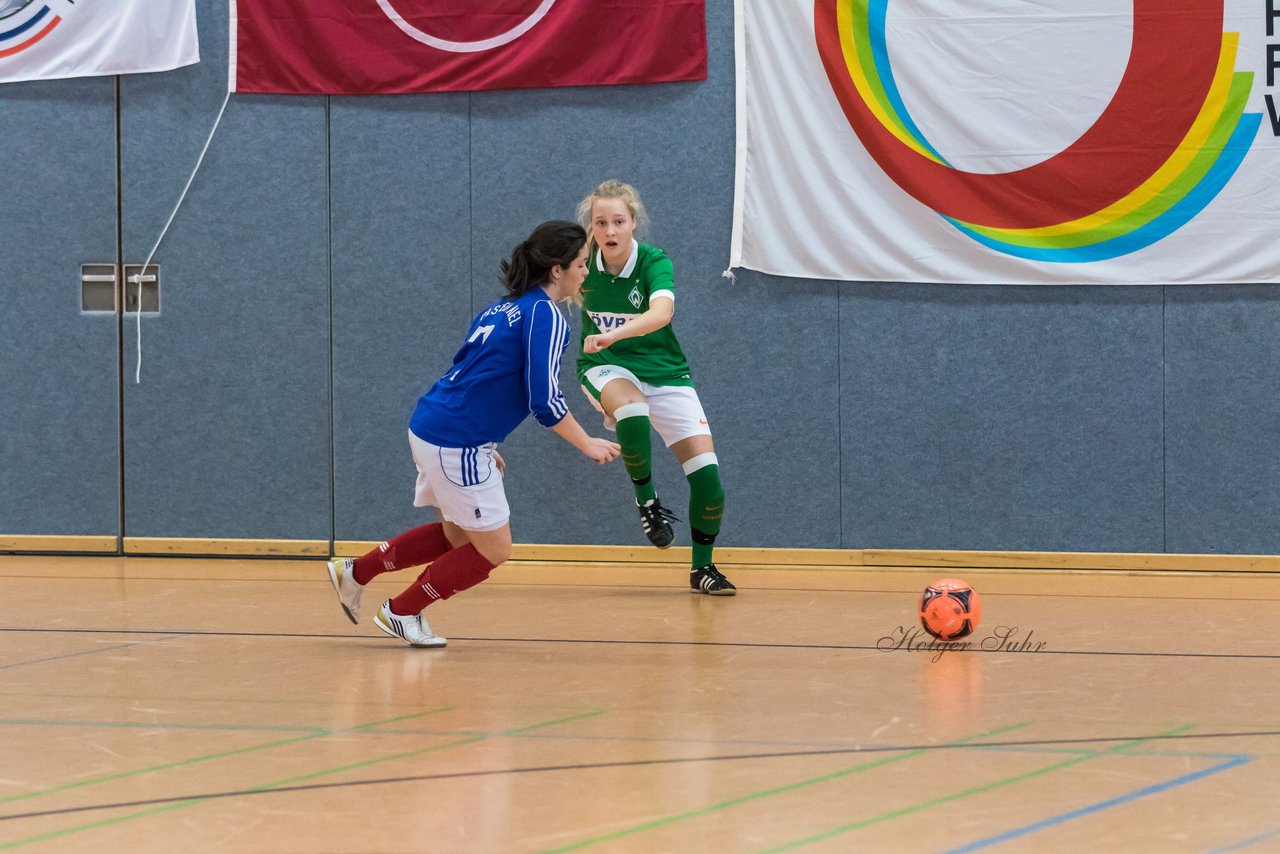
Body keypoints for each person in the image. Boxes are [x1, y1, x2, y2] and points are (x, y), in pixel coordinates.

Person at [326, 221, 621, 647]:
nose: (586, 272)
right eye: (580, 264)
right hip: (454, 439)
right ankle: (401, 612)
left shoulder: (503, 307)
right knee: (494, 548)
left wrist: (487, 441)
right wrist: (586, 442)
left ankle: (355, 572)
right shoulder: (547, 315)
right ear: (557, 270)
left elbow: (477, 375)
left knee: (456, 537)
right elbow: (543, 398)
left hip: (435, 425)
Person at [575, 180, 734, 596]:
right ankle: (646, 500)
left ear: (633, 224)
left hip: (665, 372)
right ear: (591, 228)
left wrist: (616, 331)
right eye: (601, 223)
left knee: (709, 482)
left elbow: (662, 312)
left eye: (618, 222)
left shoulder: (652, 261)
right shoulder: (580, 261)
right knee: (631, 409)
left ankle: (702, 569)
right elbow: (542, 284)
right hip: (605, 366)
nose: (610, 231)